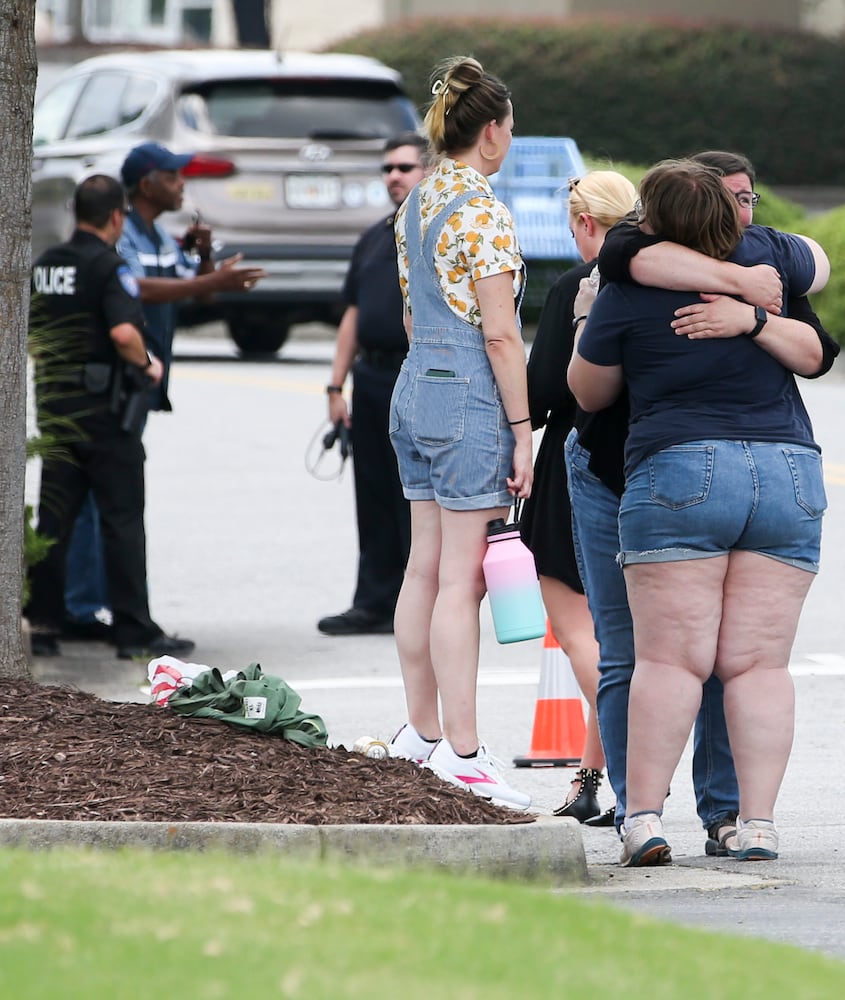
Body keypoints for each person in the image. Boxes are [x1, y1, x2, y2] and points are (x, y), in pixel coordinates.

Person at [571, 150, 838, 860]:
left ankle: (645, 821)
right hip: (788, 470)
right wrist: (752, 314)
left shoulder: (627, 286)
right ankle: (755, 824)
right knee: (759, 667)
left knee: (669, 663)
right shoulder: (772, 272)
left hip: (680, 469)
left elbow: (590, 394)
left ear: (653, 221)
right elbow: (815, 345)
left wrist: (586, 324)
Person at [386, 56, 532, 809]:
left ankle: (421, 732)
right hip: (467, 393)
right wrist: (522, 430)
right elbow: (502, 336)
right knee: (461, 580)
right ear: (494, 132)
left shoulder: (415, 201)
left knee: (424, 566)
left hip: (413, 387)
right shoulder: (483, 211)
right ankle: (466, 753)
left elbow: (413, 315)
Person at [60, 142, 266, 639]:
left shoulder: (161, 236)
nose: (182, 186)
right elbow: (136, 288)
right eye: (174, 177)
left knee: (111, 494)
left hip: (142, 382)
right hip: (117, 378)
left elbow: (197, 294)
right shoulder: (122, 231)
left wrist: (203, 262)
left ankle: (98, 602)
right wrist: (206, 281)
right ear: (148, 183)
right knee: (98, 495)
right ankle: (82, 607)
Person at [25, 175, 196, 662]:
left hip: (58, 411)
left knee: (55, 518)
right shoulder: (108, 265)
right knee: (121, 519)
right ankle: (133, 631)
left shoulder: (46, 264)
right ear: (117, 217)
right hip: (106, 415)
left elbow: (34, 334)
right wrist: (149, 364)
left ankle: (42, 624)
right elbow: (124, 332)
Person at [519, 170, 637, 823]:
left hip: (576, 467)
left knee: (576, 633)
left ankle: (630, 763)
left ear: (586, 223)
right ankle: (589, 780)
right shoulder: (659, 282)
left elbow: (542, 396)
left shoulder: (578, 287)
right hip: (644, 467)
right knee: (617, 638)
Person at [317, 132, 429, 637]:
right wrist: (335, 387)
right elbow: (353, 314)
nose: (394, 176)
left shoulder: (437, 234)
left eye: (404, 167)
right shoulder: (372, 238)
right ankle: (374, 601)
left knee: (416, 494)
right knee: (374, 491)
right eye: (387, 169)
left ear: (428, 171)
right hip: (372, 375)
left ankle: (417, 602)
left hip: (419, 374)